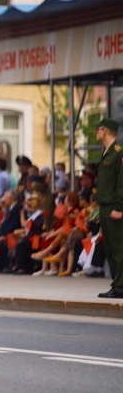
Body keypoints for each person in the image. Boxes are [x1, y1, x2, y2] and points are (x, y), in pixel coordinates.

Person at [95, 118, 123, 299]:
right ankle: (116, 283)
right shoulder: (106, 152)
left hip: (115, 206)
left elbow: (122, 182)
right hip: (105, 206)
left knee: (118, 248)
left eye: (98, 129)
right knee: (110, 249)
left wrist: (120, 207)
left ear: (105, 130)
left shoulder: (118, 153)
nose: (96, 132)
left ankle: (120, 286)